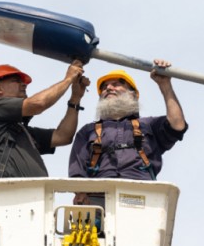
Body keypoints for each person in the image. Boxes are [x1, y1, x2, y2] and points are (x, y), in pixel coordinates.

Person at [69, 59, 188, 205]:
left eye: (117, 84)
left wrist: (165, 84)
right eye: (105, 86)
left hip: (141, 195)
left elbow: (177, 124)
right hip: (99, 197)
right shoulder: (88, 131)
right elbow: (77, 171)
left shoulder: (148, 125)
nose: (109, 88)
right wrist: (80, 192)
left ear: (132, 95)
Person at [0, 60, 90, 178]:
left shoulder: (22, 132)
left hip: (35, 193)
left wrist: (75, 98)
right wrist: (68, 79)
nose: (24, 84)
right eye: (16, 81)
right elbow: (39, 104)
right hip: (9, 192)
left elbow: (63, 136)